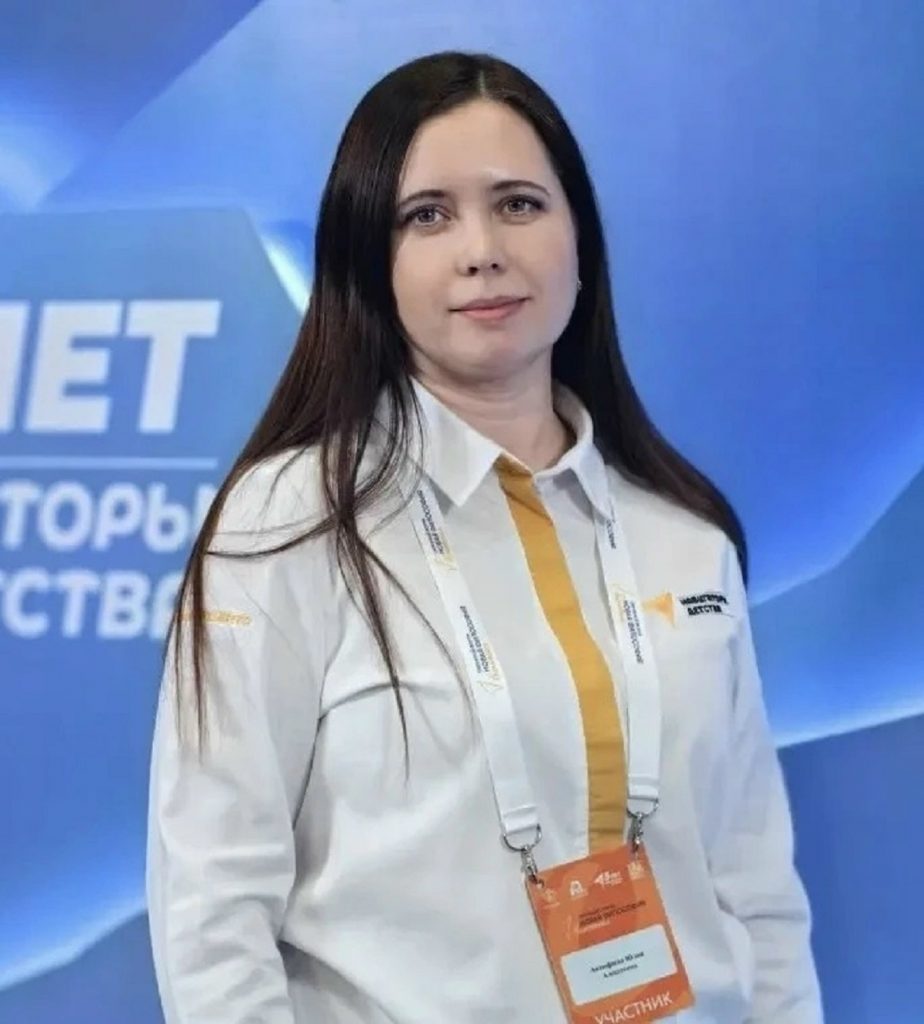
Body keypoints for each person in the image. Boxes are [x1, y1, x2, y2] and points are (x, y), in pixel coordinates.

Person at [146, 50, 822, 1024]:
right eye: (428, 216)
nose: (482, 250)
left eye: (518, 204)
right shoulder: (290, 522)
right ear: (370, 259)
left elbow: (757, 889)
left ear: (580, 240)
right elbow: (212, 910)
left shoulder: (683, 535)